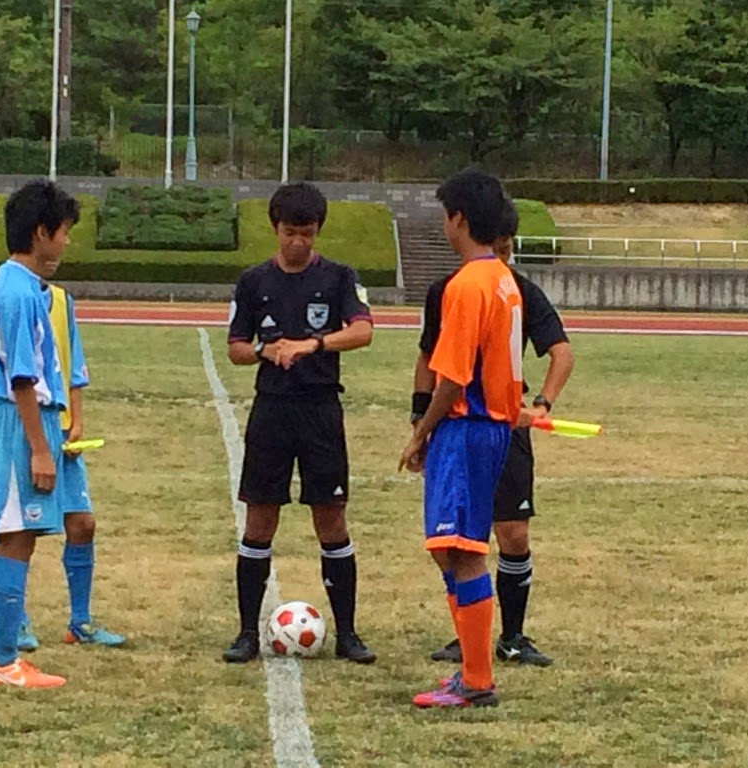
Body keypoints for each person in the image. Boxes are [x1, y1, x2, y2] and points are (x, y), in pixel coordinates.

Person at [222, 182, 376, 664]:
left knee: (330, 517)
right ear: (275, 229)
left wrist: (312, 344)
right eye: (291, 233)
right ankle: (247, 632)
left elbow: (363, 331)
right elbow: (236, 348)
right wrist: (268, 350)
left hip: (320, 409)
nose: (298, 243)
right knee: (260, 516)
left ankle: (348, 633)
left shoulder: (339, 278)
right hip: (271, 410)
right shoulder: (253, 282)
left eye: (307, 234)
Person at [416, 200, 574, 668]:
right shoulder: (453, 288)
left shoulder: (505, 287)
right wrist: (418, 416)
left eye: (508, 249)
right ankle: (472, 645)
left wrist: (541, 403)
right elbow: (429, 357)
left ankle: (507, 639)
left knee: (507, 534)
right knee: (460, 542)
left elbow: (560, 353)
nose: (503, 256)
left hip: (487, 424)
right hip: (475, 422)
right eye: (498, 247)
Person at [399, 169, 523, 708]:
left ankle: (476, 680)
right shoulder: (502, 278)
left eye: (445, 217)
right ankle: (471, 673)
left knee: (464, 549)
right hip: (487, 429)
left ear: (461, 220)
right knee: (450, 548)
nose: (444, 228)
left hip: (468, 429)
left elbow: (451, 377)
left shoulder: (467, 285)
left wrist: (422, 431)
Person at [0, 180, 79, 688]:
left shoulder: (8, 287)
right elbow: (22, 378)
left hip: (8, 419)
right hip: (21, 420)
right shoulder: (19, 293)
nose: (66, 243)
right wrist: (40, 448)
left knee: (3, 538)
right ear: (40, 232)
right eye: (64, 232)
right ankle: (5, 661)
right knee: (18, 539)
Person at [0, 281, 127, 652]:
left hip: (60, 432)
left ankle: (79, 622)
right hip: (26, 434)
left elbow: (73, 368)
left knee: (82, 523)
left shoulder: (60, 300)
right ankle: (10, 625)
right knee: (14, 534)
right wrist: (18, 438)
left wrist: (76, 422)